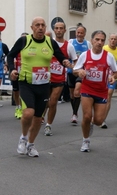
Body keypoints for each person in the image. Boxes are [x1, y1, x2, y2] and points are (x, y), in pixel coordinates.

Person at [7, 17, 71, 157]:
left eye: (43, 25)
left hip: (43, 85)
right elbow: (10, 55)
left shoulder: (50, 42)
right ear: (32, 28)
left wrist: (65, 62)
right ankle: (23, 138)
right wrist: (12, 69)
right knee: (28, 113)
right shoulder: (24, 41)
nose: (40, 27)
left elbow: (60, 56)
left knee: (37, 118)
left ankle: (31, 144)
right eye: (37, 25)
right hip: (26, 82)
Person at [73, 30, 117, 152]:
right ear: (92, 40)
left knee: (99, 120)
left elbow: (116, 71)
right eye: (97, 39)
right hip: (87, 88)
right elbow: (75, 70)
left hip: (101, 91)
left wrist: (112, 77)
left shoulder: (108, 56)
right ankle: (85, 140)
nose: (99, 42)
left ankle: (92, 124)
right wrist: (80, 72)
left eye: (102, 40)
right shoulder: (85, 55)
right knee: (87, 116)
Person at [44, 21, 77, 136]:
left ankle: (48, 125)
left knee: (53, 102)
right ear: (54, 30)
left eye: (61, 28)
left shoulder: (69, 46)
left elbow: (76, 61)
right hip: (45, 78)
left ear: (64, 30)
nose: (58, 30)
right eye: (56, 28)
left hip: (59, 79)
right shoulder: (47, 43)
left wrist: (74, 68)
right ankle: (42, 116)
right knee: (44, 102)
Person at [68, 24, 92, 125]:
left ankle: (74, 114)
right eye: (78, 32)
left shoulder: (88, 44)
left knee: (77, 91)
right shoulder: (71, 42)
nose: (79, 34)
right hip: (71, 71)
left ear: (84, 34)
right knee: (72, 94)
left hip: (81, 72)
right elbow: (66, 53)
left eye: (81, 33)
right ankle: (75, 111)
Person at [100, 33, 117, 129]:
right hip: (102, 76)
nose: (113, 40)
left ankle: (103, 120)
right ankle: (97, 115)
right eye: (111, 39)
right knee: (99, 96)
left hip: (112, 76)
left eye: (115, 39)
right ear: (109, 40)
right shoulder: (103, 49)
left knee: (109, 95)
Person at [11, 32, 28, 120]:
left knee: (25, 92)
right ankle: (18, 107)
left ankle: (24, 108)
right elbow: (9, 57)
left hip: (26, 74)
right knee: (16, 91)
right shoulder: (16, 48)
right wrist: (12, 65)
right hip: (17, 73)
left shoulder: (30, 49)